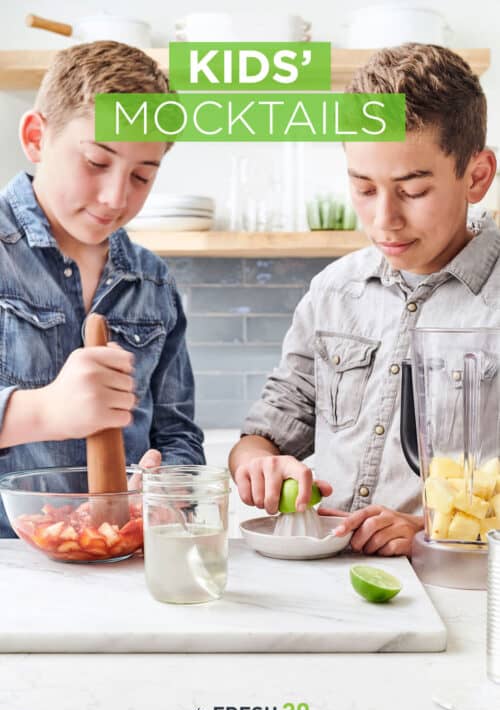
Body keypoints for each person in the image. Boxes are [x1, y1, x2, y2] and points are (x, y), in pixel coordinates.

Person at [229, 43, 498, 556]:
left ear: (476, 175)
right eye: (364, 188)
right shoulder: (334, 291)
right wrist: (259, 464)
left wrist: (426, 531)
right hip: (335, 586)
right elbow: (264, 433)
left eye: (413, 191)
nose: (384, 220)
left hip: (466, 592)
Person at [0, 41, 204, 538]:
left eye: (142, 176)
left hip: (121, 561)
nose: (116, 197)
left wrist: (171, 490)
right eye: (96, 161)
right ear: (35, 137)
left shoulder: (153, 281)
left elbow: (177, 433)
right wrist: (43, 411)